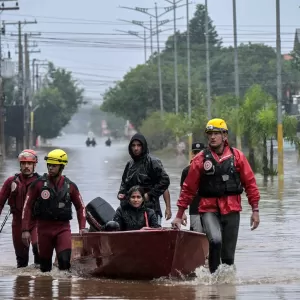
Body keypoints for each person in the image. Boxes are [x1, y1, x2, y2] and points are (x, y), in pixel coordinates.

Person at [171, 118, 260, 274]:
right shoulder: (199, 160)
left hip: (232, 209)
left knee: (228, 255)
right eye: (209, 134)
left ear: (224, 135)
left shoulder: (237, 157)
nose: (212, 137)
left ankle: (226, 288)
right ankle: (212, 281)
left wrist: (255, 210)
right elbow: (188, 189)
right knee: (216, 240)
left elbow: (250, 184)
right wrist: (179, 214)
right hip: (208, 209)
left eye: (216, 133)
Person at [21, 149, 87, 273]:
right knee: (45, 268)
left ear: (62, 166)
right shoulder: (38, 185)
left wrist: (82, 227)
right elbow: (27, 207)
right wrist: (25, 229)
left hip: (63, 228)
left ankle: (65, 290)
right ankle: (45, 290)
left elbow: (80, 207)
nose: (50, 168)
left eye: (54, 165)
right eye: (49, 165)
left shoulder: (70, 186)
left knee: (64, 262)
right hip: (43, 229)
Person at [117, 133, 170, 225]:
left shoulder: (153, 162)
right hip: (131, 211)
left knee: (154, 236)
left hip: (151, 208)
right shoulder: (129, 164)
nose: (136, 148)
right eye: (133, 145)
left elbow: (165, 181)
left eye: (139, 145)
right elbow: (124, 184)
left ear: (143, 146)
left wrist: (149, 195)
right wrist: (121, 194)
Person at [0, 149, 40, 268]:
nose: (26, 166)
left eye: (29, 164)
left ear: (34, 165)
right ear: (20, 165)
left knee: (38, 248)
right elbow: (0, 202)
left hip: (35, 222)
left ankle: (41, 281)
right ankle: (22, 284)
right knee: (22, 261)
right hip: (17, 222)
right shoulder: (11, 182)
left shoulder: (41, 183)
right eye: (23, 163)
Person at [180, 142, 206, 232]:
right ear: (192, 154)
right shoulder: (186, 171)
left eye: (200, 153)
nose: (197, 155)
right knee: (197, 237)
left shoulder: (211, 169)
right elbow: (183, 193)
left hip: (211, 211)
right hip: (195, 211)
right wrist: (182, 212)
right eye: (195, 153)